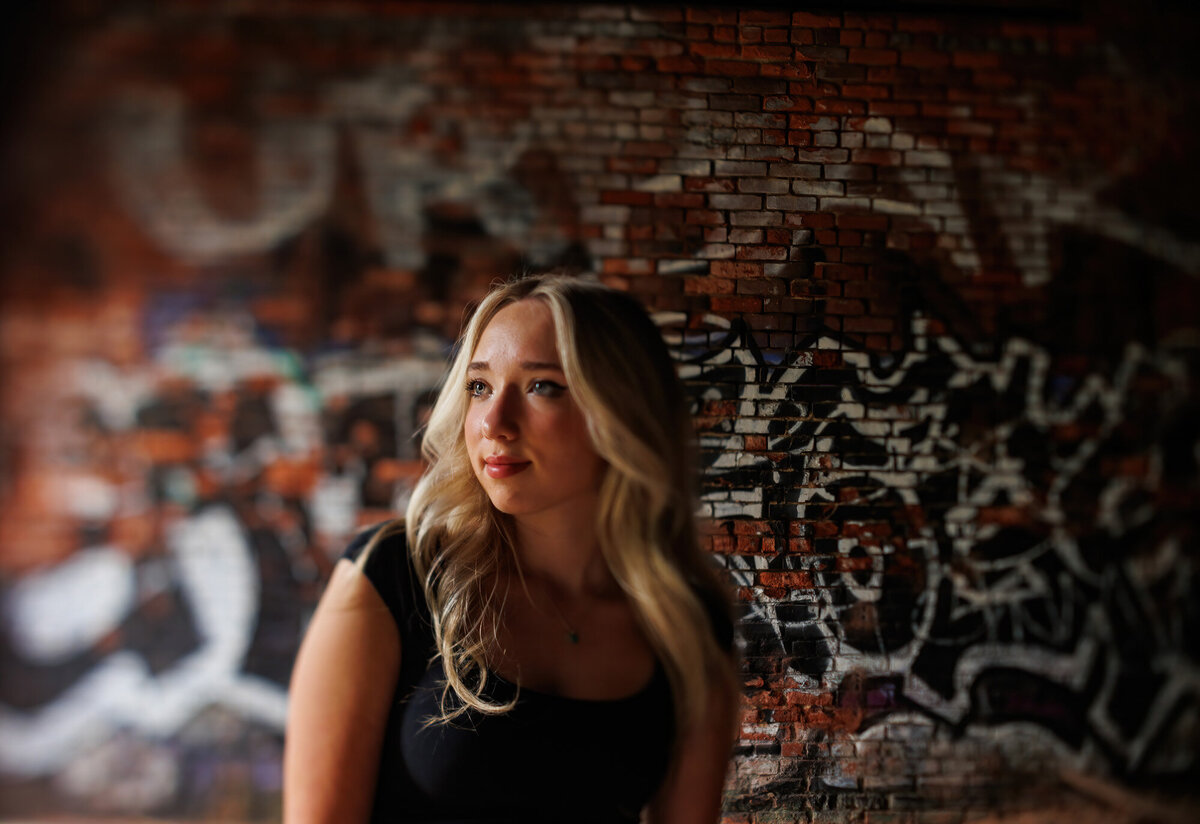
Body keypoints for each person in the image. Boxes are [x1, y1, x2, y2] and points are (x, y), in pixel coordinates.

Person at [284, 274, 739, 823]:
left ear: (620, 410)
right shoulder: (392, 576)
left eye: (541, 386)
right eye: (479, 387)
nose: (494, 423)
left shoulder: (683, 622)